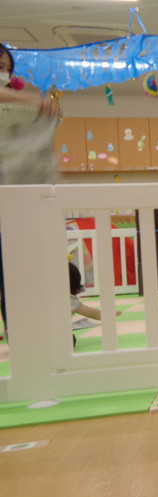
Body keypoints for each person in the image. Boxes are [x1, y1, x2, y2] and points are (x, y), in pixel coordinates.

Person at [0, 43, 60, 340]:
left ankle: (24, 331)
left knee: (16, 267)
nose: (4, 73)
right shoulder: (18, 100)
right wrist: (32, 101)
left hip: (13, 195)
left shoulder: (14, 108)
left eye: (6, 69)